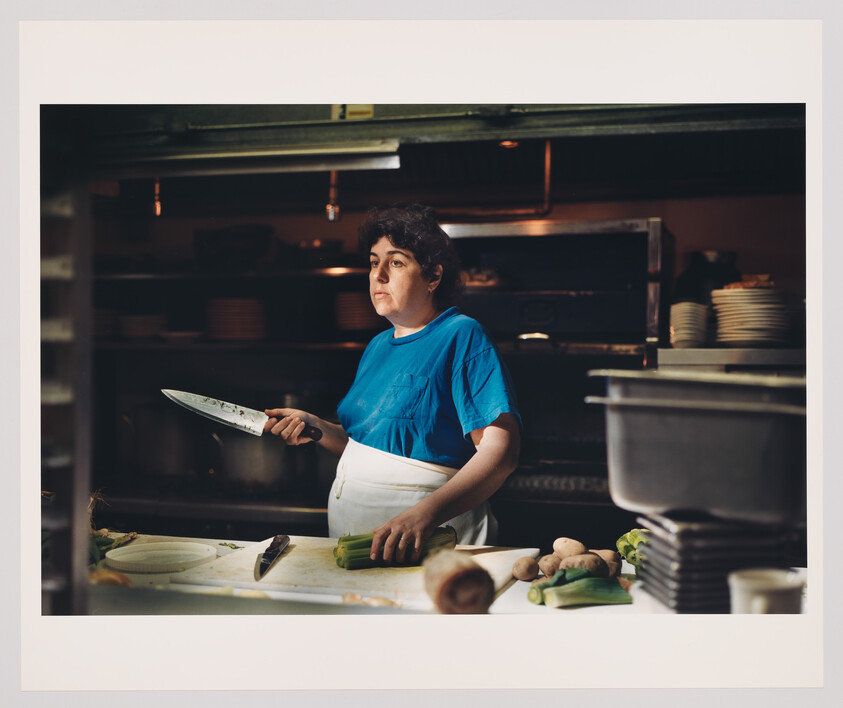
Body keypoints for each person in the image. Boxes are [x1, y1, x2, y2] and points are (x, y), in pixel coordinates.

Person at [264, 204, 521, 564]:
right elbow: (371, 443)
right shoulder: (377, 346)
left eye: (396, 263)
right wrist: (318, 427)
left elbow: (500, 453)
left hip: (433, 546)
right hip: (361, 543)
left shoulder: (461, 335)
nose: (378, 275)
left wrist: (424, 514)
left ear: (432, 277)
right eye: (373, 262)